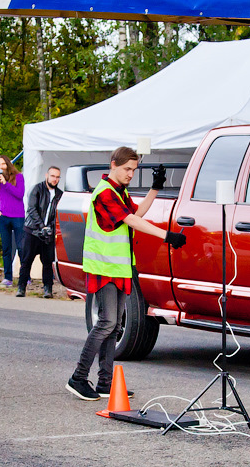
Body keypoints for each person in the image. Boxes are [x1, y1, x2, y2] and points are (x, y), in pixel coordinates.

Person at [69, 146, 185, 401]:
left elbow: (136, 213)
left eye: (134, 169)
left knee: (116, 325)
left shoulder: (119, 193)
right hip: (103, 268)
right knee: (107, 323)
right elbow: (132, 221)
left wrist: (155, 188)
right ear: (113, 165)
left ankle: (105, 383)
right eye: (127, 169)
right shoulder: (104, 193)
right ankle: (78, 378)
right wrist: (167, 235)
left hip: (119, 267)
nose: (131, 174)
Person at [17, 165, 63, 298]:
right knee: (26, 261)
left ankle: (47, 289)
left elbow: (58, 215)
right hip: (32, 231)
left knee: (48, 262)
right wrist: (41, 226)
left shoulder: (60, 194)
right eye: (52, 176)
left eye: (57, 177)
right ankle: (21, 287)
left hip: (48, 234)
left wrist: (50, 229)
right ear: (47, 175)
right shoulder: (37, 189)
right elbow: (31, 210)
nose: (54, 179)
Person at [0, 154, 25, 287]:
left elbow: (19, 194)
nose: (1, 167)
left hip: (17, 216)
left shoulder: (18, 177)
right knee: (6, 248)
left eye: (3, 164)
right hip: (3, 216)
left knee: (21, 247)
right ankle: (8, 277)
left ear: (8, 164)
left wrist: (6, 184)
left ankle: (24, 276)